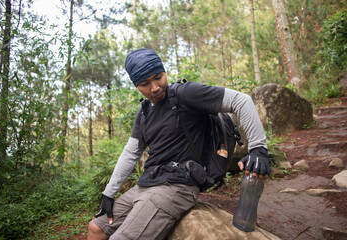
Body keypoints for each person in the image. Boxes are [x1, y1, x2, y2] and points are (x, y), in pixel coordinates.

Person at [88, 48, 270, 240]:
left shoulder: (184, 94)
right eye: (144, 84)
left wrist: (258, 149)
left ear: (164, 71)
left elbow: (241, 101)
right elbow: (131, 152)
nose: (155, 87)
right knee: (96, 228)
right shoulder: (144, 113)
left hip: (175, 185)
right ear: (136, 86)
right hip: (145, 184)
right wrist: (108, 194)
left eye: (158, 77)